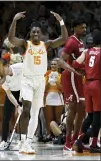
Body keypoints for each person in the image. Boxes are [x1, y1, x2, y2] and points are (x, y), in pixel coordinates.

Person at [8, 11, 78, 154]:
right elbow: (11, 38)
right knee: (26, 109)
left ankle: (28, 141)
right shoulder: (25, 44)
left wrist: (61, 22)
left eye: (37, 32)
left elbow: (64, 38)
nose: (35, 34)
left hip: (40, 80)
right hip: (27, 80)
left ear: (41, 34)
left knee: (35, 112)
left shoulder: (46, 44)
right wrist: (14, 20)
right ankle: (22, 141)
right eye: (33, 31)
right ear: (30, 33)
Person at [60, 16, 87, 151]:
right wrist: (74, 70)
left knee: (82, 109)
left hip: (78, 77)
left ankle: (76, 139)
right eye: (82, 27)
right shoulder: (71, 42)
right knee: (73, 108)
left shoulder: (80, 41)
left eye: (85, 27)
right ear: (75, 28)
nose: (84, 29)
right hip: (71, 76)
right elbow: (61, 61)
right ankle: (67, 141)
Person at [72, 30, 101, 153]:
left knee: (89, 115)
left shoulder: (86, 51)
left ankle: (78, 141)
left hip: (87, 84)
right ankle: (94, 144)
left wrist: (85, 70)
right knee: (97, 115)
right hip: (98, 84)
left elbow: (75, 64)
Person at [0, 52, 23, 150]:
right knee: (6, 117)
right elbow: (8, 93)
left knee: (22, 115)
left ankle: (22, 141)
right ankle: (4, 141)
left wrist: (23, 102)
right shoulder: (2, 78)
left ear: (8, 65)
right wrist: (17, 105)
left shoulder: (20, 67)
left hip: (23, 91)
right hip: (12, 93)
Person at [44, 60, 64, 136]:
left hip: (58, 98)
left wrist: (56, 81)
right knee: (49, 118)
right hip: (48, 97)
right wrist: (48, 81)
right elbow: (44, 89)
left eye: (55, 64)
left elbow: (62, 89)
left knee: (58, 118)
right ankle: (49, 135)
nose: (53, 65)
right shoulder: (46, 75)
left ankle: (58, 135)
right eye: (52, 64)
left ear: (58, 66)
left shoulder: (61, 76)